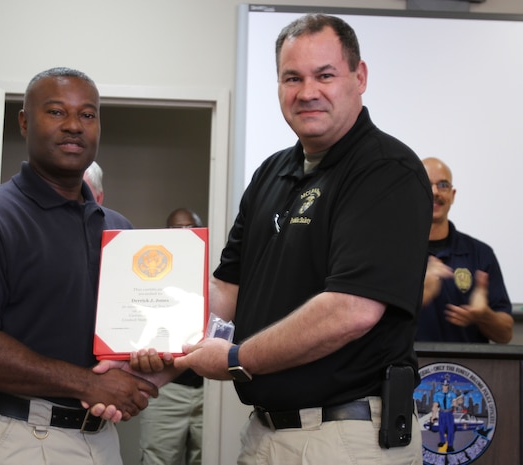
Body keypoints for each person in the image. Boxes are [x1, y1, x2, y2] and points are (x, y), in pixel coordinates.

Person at [165, 13, 433, 464]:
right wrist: (158, 351)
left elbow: (350, 311)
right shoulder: (271, 172)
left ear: (359, 76)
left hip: (346, 439)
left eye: (324, 75)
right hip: (266, 433)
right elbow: (226, 289)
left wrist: (235, 357)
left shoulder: (387, 171)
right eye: (292, 77)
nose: (307, 92)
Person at [0, 67, 161, 465]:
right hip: (15, 437)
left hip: (99, 437)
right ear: (24, 121)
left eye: (87, 115)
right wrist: (88, 383)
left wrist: (145, 360)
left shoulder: (120, 232)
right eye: (56, 112)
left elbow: (125, 337)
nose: (74, 126)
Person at [416, 157, 513, 343]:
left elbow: (505, 335)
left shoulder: (481, 253)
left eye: (442, 185)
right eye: (426, 184)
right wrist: (418, 297)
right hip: (409, 370)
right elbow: (372, 326)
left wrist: (484, 316)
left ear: (452, 195)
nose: (435, 192)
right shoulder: (394, 252)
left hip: (467, 371)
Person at [138, 208, 205, 465]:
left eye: (191, 227)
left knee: (207, 456)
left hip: (209, 390)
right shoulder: (149, 276)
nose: (184, 233)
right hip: (167, 389)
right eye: (177, 228)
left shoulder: (218, 273)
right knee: (157, 459)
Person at [430, 378, 457, 453]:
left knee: (450, 429)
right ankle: (442, 441)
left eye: (446, 385)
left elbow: (455, 404)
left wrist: (455, 403)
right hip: (441, 413)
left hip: (449, 413)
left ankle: (450, 445)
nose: (445, 387)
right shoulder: (437, 394)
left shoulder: (452, 394)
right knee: (441, 429)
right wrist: (433, 416)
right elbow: (435, 405)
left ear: (448, 385)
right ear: (441, 385)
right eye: (443, 385)